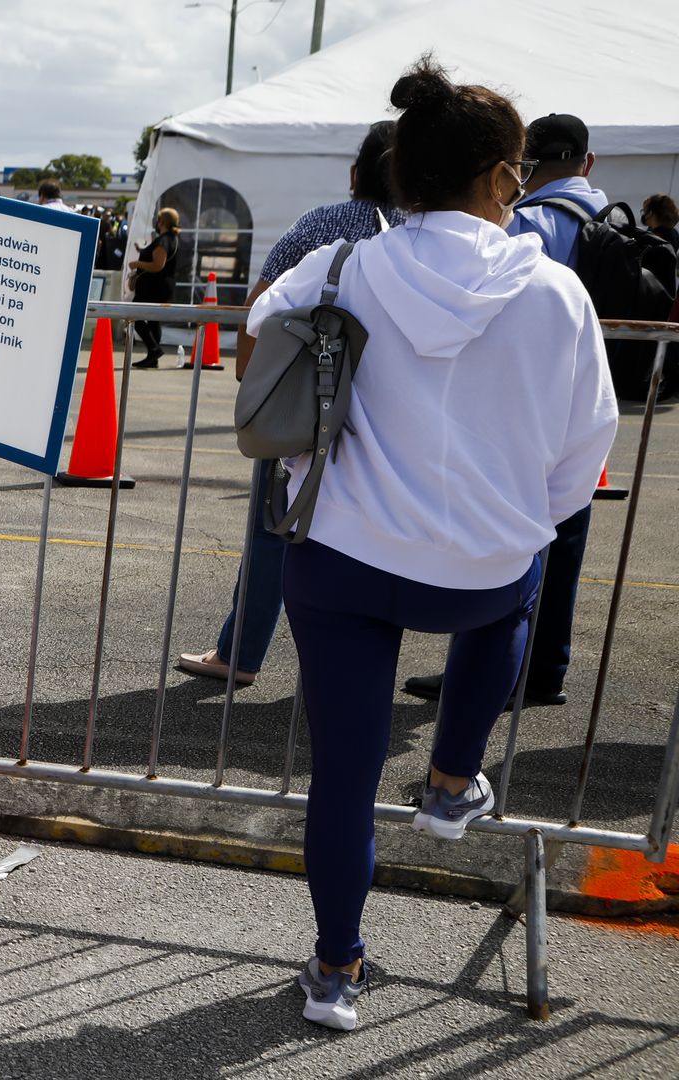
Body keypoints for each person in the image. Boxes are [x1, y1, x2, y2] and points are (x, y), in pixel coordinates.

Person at [264, 58, 615, 1031]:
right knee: (518, 582)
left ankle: (336, 972)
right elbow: (585, 446)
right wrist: (515, 514)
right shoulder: (552, 290)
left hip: (338, 555)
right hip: (477, 570)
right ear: (504, 176)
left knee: (343, 769)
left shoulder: (334, 267)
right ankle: (454, 781)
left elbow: (259, 342)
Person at [178, 120, 403, 685]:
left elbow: (263, 301)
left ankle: (240, 654)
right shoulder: (418, 234)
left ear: (355, 174)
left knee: (272, 528)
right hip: (388, 410)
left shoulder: (321, 224)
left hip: (310, 404)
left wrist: (253, 381)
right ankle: (346, 673)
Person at [403, 112, 610, 710]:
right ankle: (546, 668)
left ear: (518, 170)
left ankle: (491, 677)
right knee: (565, 538)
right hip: (581, 404)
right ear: (587, 163)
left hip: (510, 411)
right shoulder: (606, 216)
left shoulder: (525, 225)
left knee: (502, 552)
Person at [126, 208, 180, 367]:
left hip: (154, 287)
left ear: (162, 222)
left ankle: (154, 349)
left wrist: (136, 263)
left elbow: (158, 265)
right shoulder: (171, 238)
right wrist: (142, 251)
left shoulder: (163, 240)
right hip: (162, 286)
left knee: (133, 314)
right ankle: (152, 357)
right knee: (153, 321)